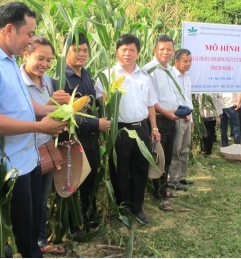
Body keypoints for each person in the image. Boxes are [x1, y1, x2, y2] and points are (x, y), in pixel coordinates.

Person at [0, 2, 69, 258]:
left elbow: (24, 103)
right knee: (20, 231)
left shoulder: (9, 60)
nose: (31, 41)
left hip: (29, 158)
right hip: (11, 168)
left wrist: (52, 110)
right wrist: (39, 126)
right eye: (29, 34)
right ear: (10, 29)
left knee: (32, 227)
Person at [95, 34, 161, 224]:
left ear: (138, 53)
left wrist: (154, 127)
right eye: (124, 50)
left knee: (140, 168)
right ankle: (122, 208)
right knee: (120, 170)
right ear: (116, 52)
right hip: (119, 131)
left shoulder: (144, 77)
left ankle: (137, 207)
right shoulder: (107, 75)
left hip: (141, 129)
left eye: (132, 50)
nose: (128, 54)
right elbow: (99, 104)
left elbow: (150, 105)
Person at [20, 36, 69, 255]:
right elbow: (25, 117)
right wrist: (51, 103)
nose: (45, 65)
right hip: (25, 151)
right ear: (25, 54)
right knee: (25, 205)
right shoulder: (17, 83)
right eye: (40, 58)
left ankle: (40, 242)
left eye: (49, 60)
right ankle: (23, 245)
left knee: (41, 201)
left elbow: (51, 114)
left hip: (46, 148)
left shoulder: (47, 80)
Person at [58, 33, 110, 232]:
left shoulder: (86, 74)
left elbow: (90, 108)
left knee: (90, 178)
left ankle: (89, 215)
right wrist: (97, 124)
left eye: (85, 50)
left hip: (90, 139)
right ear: (65, 50)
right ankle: (73, 223)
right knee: (73, 181)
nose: (81, 54)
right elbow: (66, 116)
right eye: (76, 49)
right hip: (71, 140)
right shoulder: (62, 78)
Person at [142, 35, 183, 212]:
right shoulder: (149, 70)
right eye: (162, 49)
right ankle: (159, 195)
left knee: (166, 156)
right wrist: (164, 115)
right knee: (158, 158)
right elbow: (151, 100)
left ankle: (163, 189)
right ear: (155, 50)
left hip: (170, 119)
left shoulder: (169, 70)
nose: (166, 52)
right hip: (158, 119)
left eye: (169, 49)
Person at [168, 49, 195, 188]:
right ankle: (173, 179)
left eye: (190, 61)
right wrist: (182, 114)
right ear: (176, 61)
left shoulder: (187, 76)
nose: (188, 63)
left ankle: (181, 176)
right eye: (185, 61)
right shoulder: (171, 76)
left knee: (185, 147)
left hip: (187, 117)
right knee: (176, 149)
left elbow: (188, 99)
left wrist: (192, 118)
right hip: (177, 117)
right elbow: (174, 100)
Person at [198, 93, 222, 157]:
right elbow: (217, 100)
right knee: (208, 133)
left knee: (206, 132)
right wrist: (218, 114)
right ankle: (207, 151)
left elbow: (218, 100)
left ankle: (204, 150)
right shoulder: (212, 89)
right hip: (207, 114)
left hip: (204, 114)